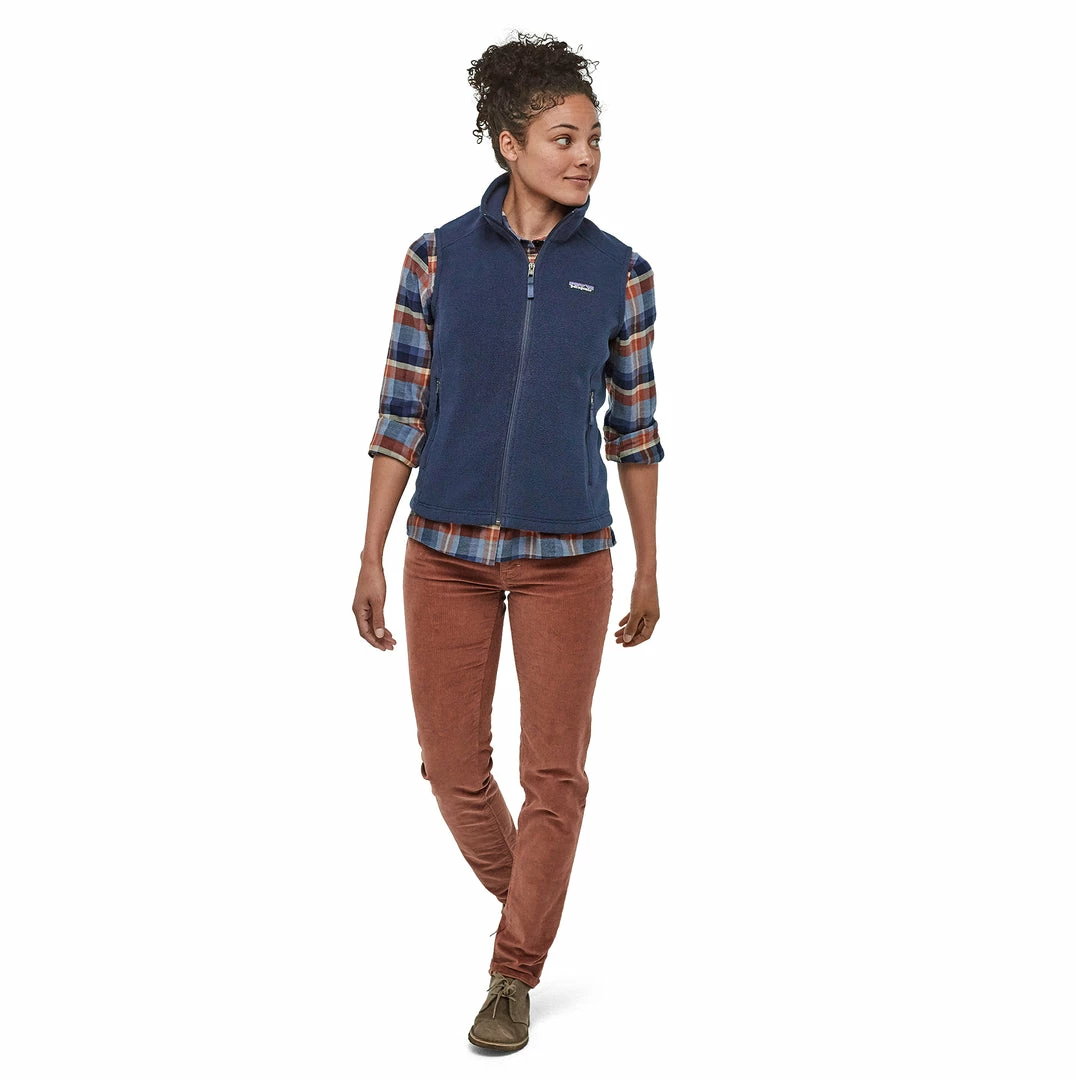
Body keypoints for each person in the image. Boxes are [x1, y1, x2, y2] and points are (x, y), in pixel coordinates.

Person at [352, 31, 664, 1053]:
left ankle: (514, 969)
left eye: (595, 138)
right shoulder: (435, 259)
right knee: (451, 769)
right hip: (442, 549)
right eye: (563, 137)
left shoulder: (621, 273)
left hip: (569, 556)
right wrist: (369, 553)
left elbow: (636, 432)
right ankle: (536, 893)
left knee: (555, 774)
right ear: (509, 143)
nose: (586, 156)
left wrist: (649, 566)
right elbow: (400, 415)